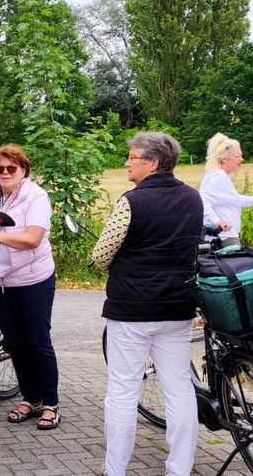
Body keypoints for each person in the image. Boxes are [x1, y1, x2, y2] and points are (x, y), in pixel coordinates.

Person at [91, 132, 202, 476]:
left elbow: (101, 255)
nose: (127, 162)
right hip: (178, 308)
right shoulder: (193, 198)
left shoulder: (132, 201)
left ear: (152, 163)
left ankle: (115, 470)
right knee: (180, 388)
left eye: (132, 157)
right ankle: (180, 469)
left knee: (123, 392)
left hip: (132, 310)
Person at [0, 144, 59, 430]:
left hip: (33, 280)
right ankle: (30, 399)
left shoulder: (36, 197)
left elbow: (32, 238)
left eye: (11, 168)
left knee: (37, 341)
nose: (4, 173)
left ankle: (51, 404)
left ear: (23, 170)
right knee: (15, 342)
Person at [200, 132, 253, 248]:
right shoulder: (218, 177)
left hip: (226, 236)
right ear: (224, 159)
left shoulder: (219, 176)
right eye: (237, 156)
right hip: (224, 238)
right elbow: (202, 201)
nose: (242, 159)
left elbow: (232, 199)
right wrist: (218, 221)